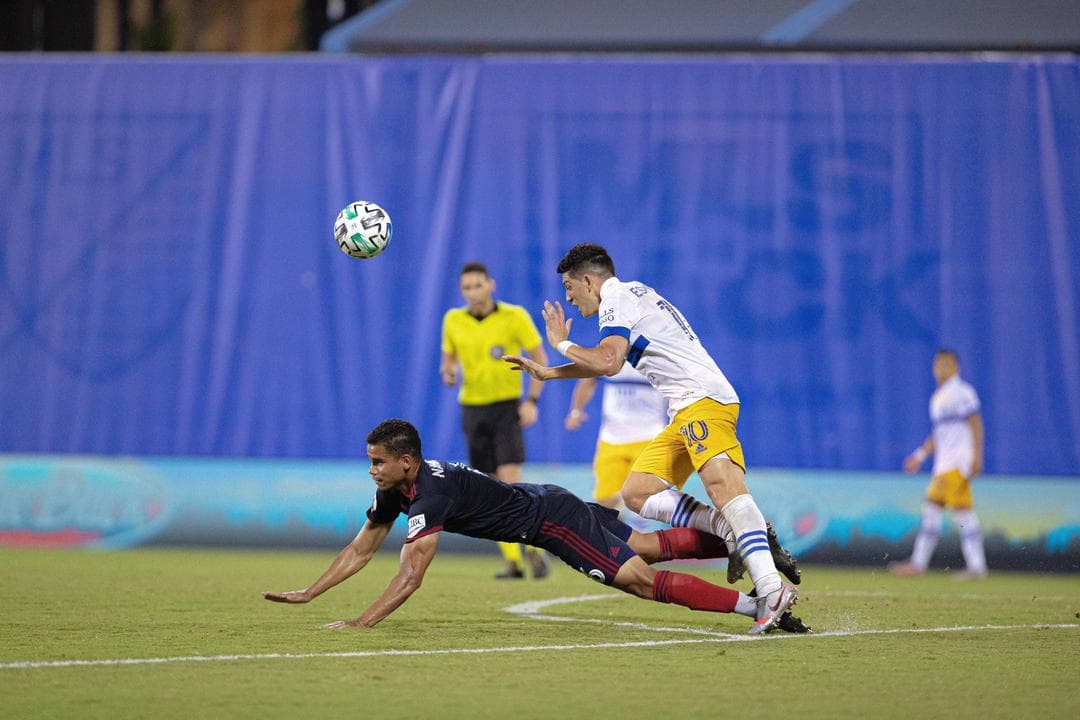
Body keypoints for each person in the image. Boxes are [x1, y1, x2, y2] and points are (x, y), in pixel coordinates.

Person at [262, 419, 810, 634]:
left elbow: (410, 576)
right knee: (644, 545)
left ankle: (756, 605)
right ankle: (744, 539)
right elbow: (361, 549)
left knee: (639, 580)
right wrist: (310, 592)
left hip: (549, 521)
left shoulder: (431, 494)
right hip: (549, 499)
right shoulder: (396, 489)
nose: (372, 470)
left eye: (378, 462)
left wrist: (361, 623)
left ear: (406, 462)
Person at [503, 243, 800, 633]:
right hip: (687, 408)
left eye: (569, 287)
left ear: (588, 281)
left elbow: (608, 362)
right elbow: (609, 362)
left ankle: (770, 588)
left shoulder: (616, 299)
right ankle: (736, 532)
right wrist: (549, 372)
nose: (569, 298)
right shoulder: (632, 294)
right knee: (637, 493)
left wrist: (560, 343)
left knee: (722, 485)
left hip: (702, 401)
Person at [440, 261, 549, 580]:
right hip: (473, 409)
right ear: (461, 291)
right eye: (467, 287)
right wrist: (448, 372)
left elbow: (540, 359)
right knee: (491, 489)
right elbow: (448, 359)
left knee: (511, 484)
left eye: (478, 285)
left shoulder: (514, 316)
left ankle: (534, 547)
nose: (473, 292)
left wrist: (531, 400)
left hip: (506, 408)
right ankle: (513, 562)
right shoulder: (453, 319)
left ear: (491, 285)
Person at [890, 349, 988, 579]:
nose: (941, 369)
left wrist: (977, 457)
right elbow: (939, 434)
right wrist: (919, 456)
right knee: (932, 510)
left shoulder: (962, 392)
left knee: (962, 514)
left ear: (956, 367)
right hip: (943, 466)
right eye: (937, 365)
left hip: (958, 463)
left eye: (946, 364)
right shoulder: (938, 397)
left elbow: (976, 423)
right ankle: (918, 565)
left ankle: (976, 567)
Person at [565, 363, 666, 532]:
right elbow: (588, 380)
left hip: (649, 436)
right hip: (611, 438)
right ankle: (618, 538)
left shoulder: (657, 356)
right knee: (605, 501)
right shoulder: (608, 356)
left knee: (641, 494)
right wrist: (576, 411)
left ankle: (637, 540)